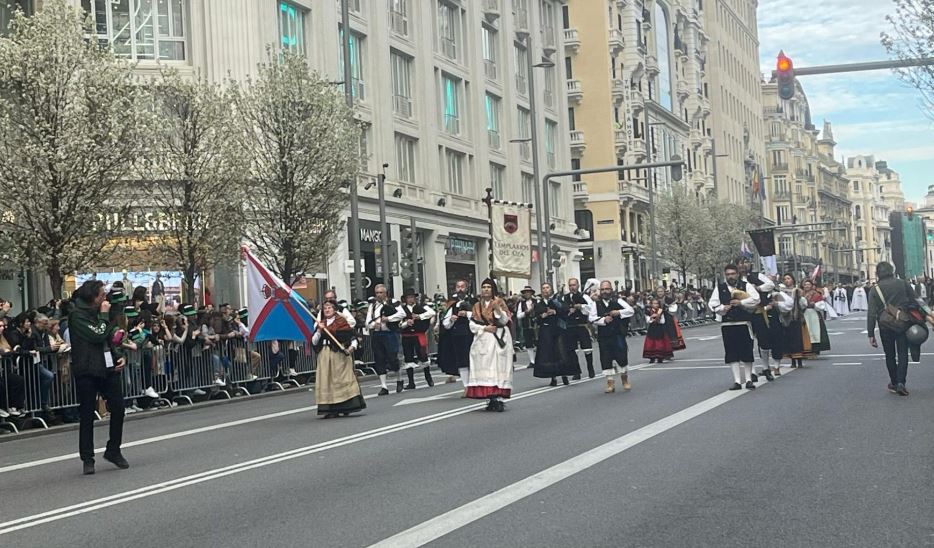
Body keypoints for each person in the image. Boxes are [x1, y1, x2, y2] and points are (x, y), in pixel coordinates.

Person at [70, 280, 128, 475]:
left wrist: (119, 355)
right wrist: (103, 315)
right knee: (87, 414)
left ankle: (113, 450)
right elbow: (97, 335)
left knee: (118, 408)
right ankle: (87, 457)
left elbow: (109, 336)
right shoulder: (77, 316)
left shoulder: (103, 313)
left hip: (106, 365)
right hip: (87, 368)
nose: (105, 298)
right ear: (93, 297)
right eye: (102, 294)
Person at [867, 262, 934, 396]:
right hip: (903, 321)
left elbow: (872, 313)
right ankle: (901, 383)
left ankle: (894, 382)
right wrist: (929, 314)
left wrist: (870, 333)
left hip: (885, 324)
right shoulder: (903, 283)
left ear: (878, 273)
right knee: (903, 353)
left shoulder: (875, 289)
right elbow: (917, 300)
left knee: (890, 354)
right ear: (892, 271)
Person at [708, 264, 760, 390]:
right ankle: (737, 381)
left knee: (747, 351)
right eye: (728, 274)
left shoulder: (745, 285)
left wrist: (741, 302)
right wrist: (722, 308)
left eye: (732, 274)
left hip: (743, 323)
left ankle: (748, 379)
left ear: (737, 274)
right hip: (728, 324)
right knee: (731, 353)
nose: (730, 276)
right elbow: (712, 304)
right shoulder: (720, 288)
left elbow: (756, 299)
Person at [312, 300, 367, 418]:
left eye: (329, 308)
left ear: (335, 309)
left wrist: (352, 348)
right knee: (326, 380)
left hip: (338, 355)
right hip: (324, 354)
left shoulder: (341, 322)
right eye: (325, 308)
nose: (327, 310)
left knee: (340, 379)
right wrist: (319, 331)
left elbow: (351, 336)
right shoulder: (320, 323)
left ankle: (345, 405)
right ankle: (330, 408)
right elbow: (314, 341)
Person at [465, 278, 513, 411]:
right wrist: (484, 328)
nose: (486, 289)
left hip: (498, 338)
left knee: (497, 367)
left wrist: (497, 309)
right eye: (484, 287)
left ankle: (497, 397)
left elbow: (504, 320)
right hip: (483, 338)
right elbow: (472, 324)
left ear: (493, 289)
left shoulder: (499, 302)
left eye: (488, 287)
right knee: (484, 367)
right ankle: (489, 397)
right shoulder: (476, 306)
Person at [590, 281, 635, 393]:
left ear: (611, 290)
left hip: (617, 334)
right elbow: (591, 318)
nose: (605, 291)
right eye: (603, 289)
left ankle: (624, 380)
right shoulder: (596, 303)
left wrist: (618, 312)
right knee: (606, 357)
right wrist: (603, 320)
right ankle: (610, 383)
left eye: (607, 289)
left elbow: (630, 311)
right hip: (604, 335)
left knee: (621, 356)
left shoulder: (618, 300)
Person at [364, 284, 406, 395]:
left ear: (385, 293)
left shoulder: (393, 302)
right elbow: (368, 321)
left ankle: (399, 379)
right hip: (378, 335)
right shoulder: (372, 306)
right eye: (377, 293)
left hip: (390, 333)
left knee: (393, 357)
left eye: (381, 292)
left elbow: (402, 314)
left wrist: (388, 319)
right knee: (379, 359)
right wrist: (374, 325)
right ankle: (384, 386)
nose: (378, 295)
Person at [532, 283, 575, 386]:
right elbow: (535, 318)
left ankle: (564, 375)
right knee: (549, 354)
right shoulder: (539, 304)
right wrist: (543, 316)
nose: (545, 290)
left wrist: (555, 312)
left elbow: (565, 310)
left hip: (558, 329)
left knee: (561, 352)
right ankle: (553, 377)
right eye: (543, 288)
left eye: (547, 288)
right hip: (546, 331)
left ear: (551, 289)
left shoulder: (557, 301)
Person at [739, 262, 777, 382]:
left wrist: (759, 288)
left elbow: (770, 284)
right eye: (740, 263)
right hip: (743, 314)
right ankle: (752, 371)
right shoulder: (735, 280)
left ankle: (766, 368)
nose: (743, 266)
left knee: (764, 341)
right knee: (747, 342)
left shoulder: (757, 276)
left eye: (745, 262)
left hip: (759, 311)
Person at [438, 280, 474, 388]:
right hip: (457, 336)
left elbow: (480, 316)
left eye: (462, 286)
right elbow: (445, 324)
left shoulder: (474, 301)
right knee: (461, 361)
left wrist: (467, 313)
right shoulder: (452, 304)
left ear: (466, 288)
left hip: (472, 334)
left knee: (473, 359)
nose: (460, 289)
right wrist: (451, 320)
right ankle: (466, 386)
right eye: (458, 287)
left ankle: (475, 384)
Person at [399, 290, 436, 389]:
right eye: (408, 297)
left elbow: (432, 313)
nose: (411, 299)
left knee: (423, 356)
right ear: (405, 299)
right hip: (407, 336)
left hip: (418, 334)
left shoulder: (422, 306)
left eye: (412, 297)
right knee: (408, 358)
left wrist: (420, 316)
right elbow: (399, 324)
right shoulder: (402, 309)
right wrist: (407, 323)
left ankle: (428, 377)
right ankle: (411, 382)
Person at [562, 278, 595, 378]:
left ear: (578, 285)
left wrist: (581, 307)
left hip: (582, 326)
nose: (572, 287)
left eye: (574, 285)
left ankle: (590, 368)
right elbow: (562, 309)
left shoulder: (584, 296)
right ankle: (576, 371)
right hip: (570, 326)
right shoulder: (565, 298)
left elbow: (592, 309)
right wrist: (568, 310)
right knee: (572, 350)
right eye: (570, 285)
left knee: (587, 349)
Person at [654, 286, 686, 357]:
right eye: (658, 292)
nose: (660, 293)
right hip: (658, 320)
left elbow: (674, 309)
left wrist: (667, 309)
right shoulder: (655, 300)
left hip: (668, 319)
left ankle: (668, 352)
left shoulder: (669, 300)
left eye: (661, 291)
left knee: (668, 335)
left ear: (664, 292)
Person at [515, 286, 539, 368]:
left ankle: (539, 359)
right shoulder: (521, 304)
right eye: (525, 292)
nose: (527, 293)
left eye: (528, 292)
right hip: (526, 326)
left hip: (536, 325)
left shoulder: (537, 301)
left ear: (531, 293)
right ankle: (532, 361)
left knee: (538, 342)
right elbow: (518, 316)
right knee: (529, 344)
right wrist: (526, 312)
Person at [643, 299, 673, 363]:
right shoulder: (648, 311)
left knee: (660, 343)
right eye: (654, 303)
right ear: (651, 304)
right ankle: (652, 357)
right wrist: (652, 317)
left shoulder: (660, 311)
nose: (656, 305)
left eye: (657, 303)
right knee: (651, 343)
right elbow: (648, 321)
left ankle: (660, 357)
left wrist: (658, 318)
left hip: (659, 328)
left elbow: (663, 321)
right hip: (652, 328)